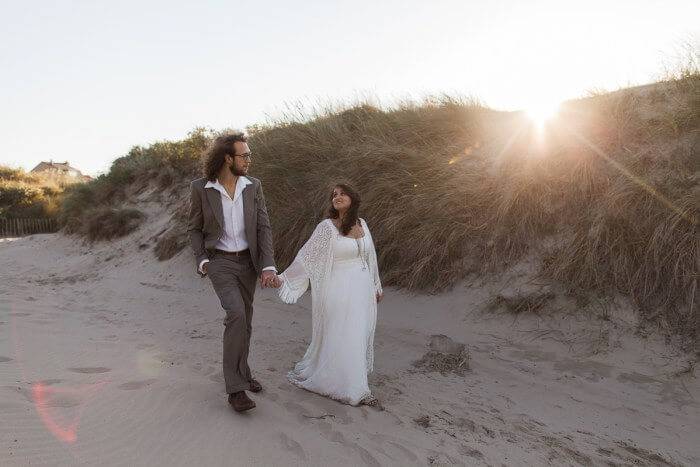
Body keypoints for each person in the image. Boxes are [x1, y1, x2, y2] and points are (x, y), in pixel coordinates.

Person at [187, 132, 281, 413]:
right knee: (236, 314)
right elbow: (194, 228)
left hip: (248, 263)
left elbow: (263, 226)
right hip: (221, 263)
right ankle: (235, 390)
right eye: (245, 155)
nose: (249, 160)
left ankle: (244, 372)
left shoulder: (253, 186)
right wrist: (202, 260)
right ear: (228, 158)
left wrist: (267, 264)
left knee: (246, 321)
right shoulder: (202, 188)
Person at [275, 183, 382, 406]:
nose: (337, 197)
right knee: (344, 334)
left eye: (343, 193)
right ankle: (354, 389)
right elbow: (307, 257)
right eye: (334, 195)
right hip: (338, 289)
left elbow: (370, 258)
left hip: (361, 291)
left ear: (353, 198)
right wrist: (284, 278)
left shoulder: (362, 224)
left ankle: (350, 379)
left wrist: (376, 286)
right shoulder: (327, 227)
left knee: (358, 333)